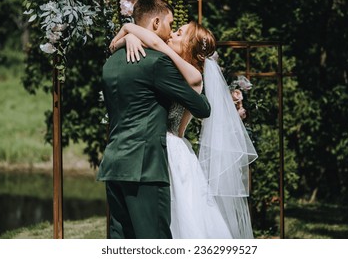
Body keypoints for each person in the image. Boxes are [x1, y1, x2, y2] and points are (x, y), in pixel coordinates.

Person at [110, 19, 258, 238]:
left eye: (179, 34)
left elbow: (158, 45)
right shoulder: (169, 68)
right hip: (165, 146)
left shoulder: (192, 77)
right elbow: (118, 47)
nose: (171, 35)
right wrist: (129, 37)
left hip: (169, 149)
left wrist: (129, 28)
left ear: (189, 46)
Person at [97, 0, 212, 239]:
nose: (171, 33)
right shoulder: (157, 63)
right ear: (156, 23)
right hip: (146, 167)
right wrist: (131, 33)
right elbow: (202, 108)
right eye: (171, 24)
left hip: (114, 164)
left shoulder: (111, 62)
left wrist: (128, 31)